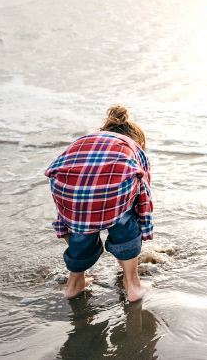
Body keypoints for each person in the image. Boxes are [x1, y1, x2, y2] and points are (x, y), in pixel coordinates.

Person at [45, 105, 152, 303]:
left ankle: (74, 284)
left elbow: (65, 168)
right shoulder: (133, 147)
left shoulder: (86, 139)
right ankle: (133, 285)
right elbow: (143, 200)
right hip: (112, 192)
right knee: (124, 221)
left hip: (66, 187)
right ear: (139, 141)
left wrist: (74, 227)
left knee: (81, 226)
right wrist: (133, 245)